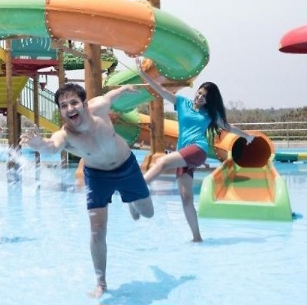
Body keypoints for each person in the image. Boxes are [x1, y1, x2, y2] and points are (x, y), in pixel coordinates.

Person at [19, 82, 154, 298]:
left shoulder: (99, 107)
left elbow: (111, 95)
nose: (70, 108)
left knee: (147, 213)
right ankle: (101, 282)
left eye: (74, 102)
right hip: (98, 177)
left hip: (127, 166)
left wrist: (124, 89)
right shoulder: (65, 134)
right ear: (61, 112)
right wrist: (38, 143)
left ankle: (132, 201)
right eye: (64, 106)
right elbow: (51, 146)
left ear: (85, 104)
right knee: (97, 230)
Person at [135, 57, 255, 242]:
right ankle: (197, 237)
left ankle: (136, 189)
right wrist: (143, 73)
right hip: (183, 154)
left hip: (197, 150)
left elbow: (228, 127)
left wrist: (246, 136)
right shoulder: (182, 102)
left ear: (209, 101)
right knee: (185, 197)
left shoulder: (209, 114)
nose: (200, 97)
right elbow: (160, 90)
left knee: (162, 161)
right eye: (199, 93)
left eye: (204, 96)